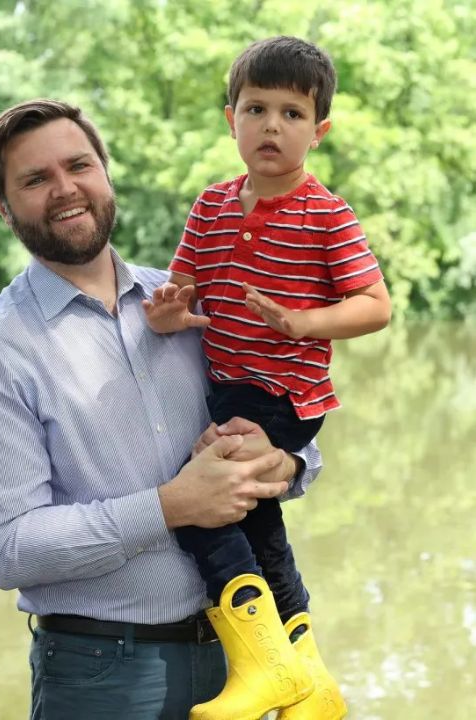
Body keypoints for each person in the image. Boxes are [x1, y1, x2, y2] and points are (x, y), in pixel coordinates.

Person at [0, 98, 322, 720]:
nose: (65, 189)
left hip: (251, 660)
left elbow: (297, 421)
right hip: (103, 677)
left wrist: (283, 461)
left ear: (106, 171)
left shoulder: (189, 300)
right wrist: (170, 506)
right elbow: (9, 547)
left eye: (79, 165)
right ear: (3, 205)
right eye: (35, 179)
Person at [144, 36, 390, 719]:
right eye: (257, 108)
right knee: (258, 525)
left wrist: (303, 324)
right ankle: (309, 677)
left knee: (202, 504)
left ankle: (262, 664)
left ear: (319, 130)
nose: (272, 125)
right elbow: (181, 295)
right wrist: (167, 315)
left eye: (291, 112)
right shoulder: (212, 206)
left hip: (285, 392)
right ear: (232, 120)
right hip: (227, 386)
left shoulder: (326, 214)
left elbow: (376, 306)